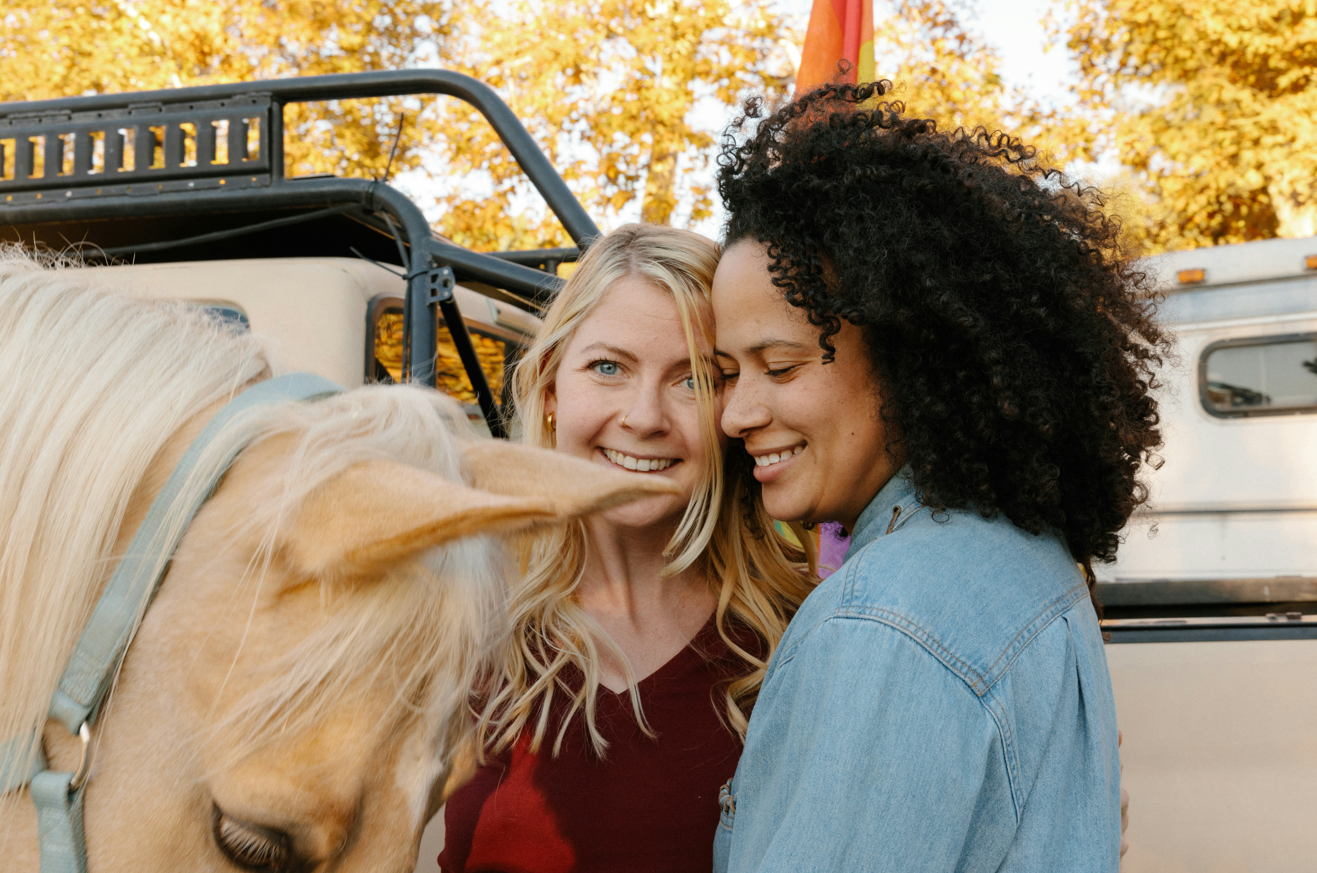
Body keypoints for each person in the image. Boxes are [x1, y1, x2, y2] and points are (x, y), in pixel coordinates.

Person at [709, 82, 1165, 871]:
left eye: (779, 366)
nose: (734, 413)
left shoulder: (883, 620)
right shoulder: (1023, 555)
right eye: (725, 372)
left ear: (907, 357)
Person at [439, 224, 816, 873]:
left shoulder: (800, 638)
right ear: (551, 388)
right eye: (608, 367)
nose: (644, 418)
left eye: (693, 379)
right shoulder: (462, 620)